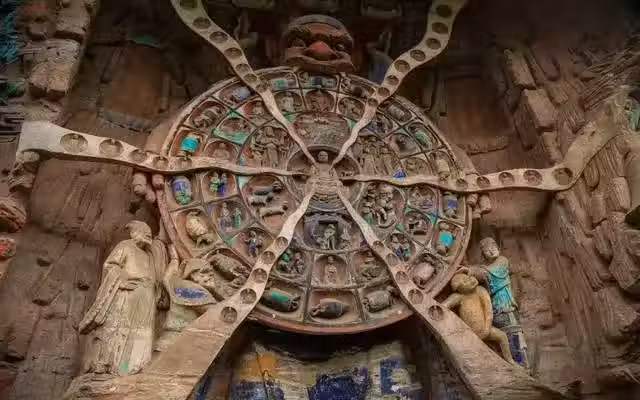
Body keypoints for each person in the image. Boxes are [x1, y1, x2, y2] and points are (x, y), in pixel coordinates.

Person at [79, 221, 167, 376]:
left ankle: (133, 368)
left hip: (146, 295)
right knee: (120, 329)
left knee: (142, 332)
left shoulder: (149, 254)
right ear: (134, 233)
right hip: (127, 293)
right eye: (143, 231)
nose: (147, 234)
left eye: (149, 232)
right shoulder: (125, 246)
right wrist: (121, 281)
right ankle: (114, 367)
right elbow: (110, 266)